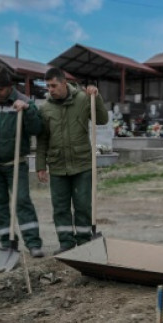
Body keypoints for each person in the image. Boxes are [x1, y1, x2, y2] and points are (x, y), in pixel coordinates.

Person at [0, 67, 45, 258]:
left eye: (0, 90)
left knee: (21, 202)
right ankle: (7, 242)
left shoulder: (25, 102)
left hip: (15, 162)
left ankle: (33, 243)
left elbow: (37, 128)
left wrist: (27, 110)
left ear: (10, 87)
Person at [35, 68, 108, 254]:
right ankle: (66, 242)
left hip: (82, 164)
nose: (50, 90)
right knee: (60, 207)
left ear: (64, 83)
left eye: (54, 85)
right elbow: (42, 139)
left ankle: (84, 241)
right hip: (58, 165)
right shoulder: (45, 108)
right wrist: (40, 166)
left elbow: (102, 119)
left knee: (83, 205)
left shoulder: (83, 100)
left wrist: (96, 97)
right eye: (48, 86)